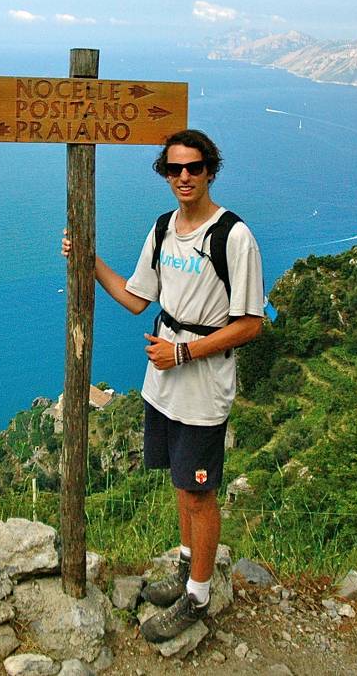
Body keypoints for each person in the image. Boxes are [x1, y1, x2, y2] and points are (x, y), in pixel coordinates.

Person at [62, 129, 264, 642]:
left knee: (200, 493)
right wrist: (87, 259)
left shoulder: (232, 236)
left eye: (194, 168)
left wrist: (182, 352)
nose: (184, 178)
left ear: (210, 170)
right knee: (180, 484)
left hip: (201, 384)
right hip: (163, 383)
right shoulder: (163, 229)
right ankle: (186, 568)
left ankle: (198, 595)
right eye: (174, 170)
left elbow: (250, 323)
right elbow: (136, 299)